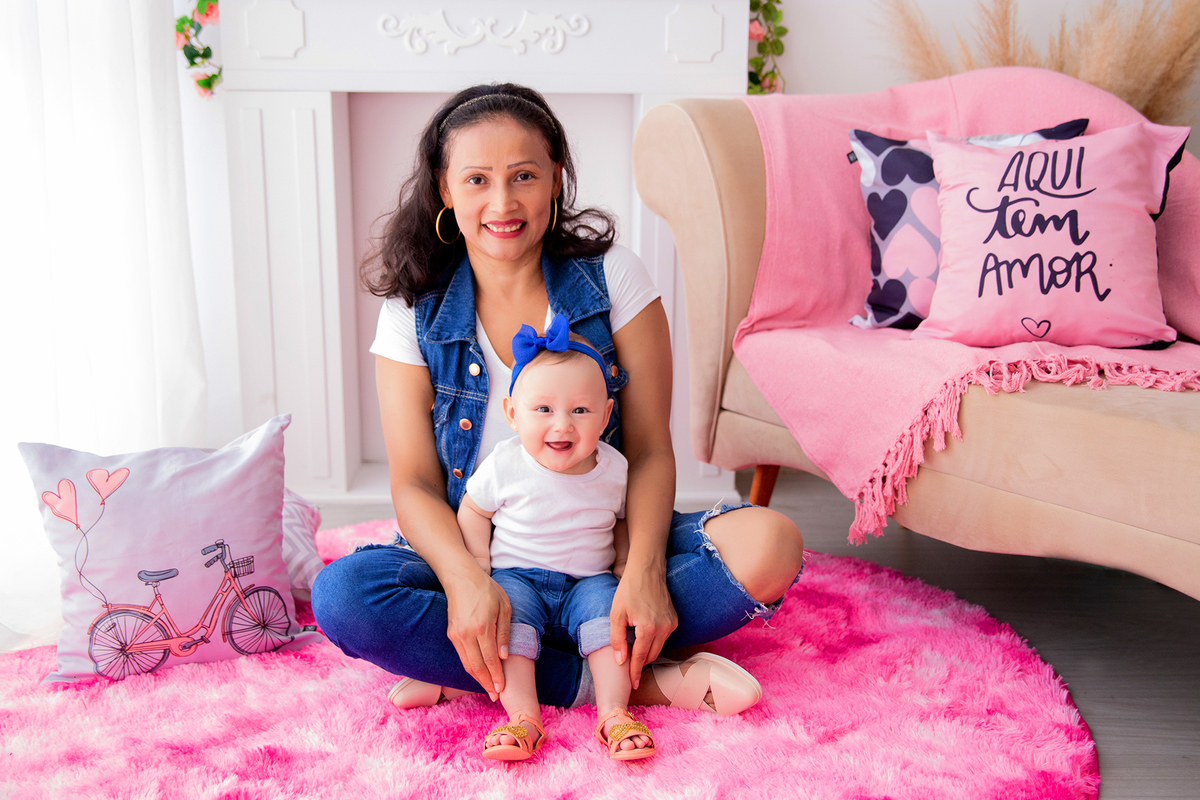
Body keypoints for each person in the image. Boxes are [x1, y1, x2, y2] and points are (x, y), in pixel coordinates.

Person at [310, 82, 806, 729]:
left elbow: (652, 447)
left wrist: (644, 569)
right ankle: (630, 680)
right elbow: (413, 483)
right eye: (478, 179)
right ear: (444, 188)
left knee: (773, 543)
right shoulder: (413, 309)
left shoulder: (614, 277)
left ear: (556, 179)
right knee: (344, 597)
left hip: (605, 544)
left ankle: (492, 671)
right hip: (486, 553)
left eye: (523, 176)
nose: (502, 202)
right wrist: (464, 583)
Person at [460, 316, 654, 761]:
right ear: (512, 414)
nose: (562, 426)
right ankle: (524, 717)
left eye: (580, 411)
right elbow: (473, 509)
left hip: (589, 581)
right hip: (518, 578)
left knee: (614, 626)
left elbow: (625, 520)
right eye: (543, 410)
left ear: (605, 416)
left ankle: (613, 713)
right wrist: (478, 571)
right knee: (505, 630)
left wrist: (626, 565)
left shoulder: (616, 470)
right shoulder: (505, 463)